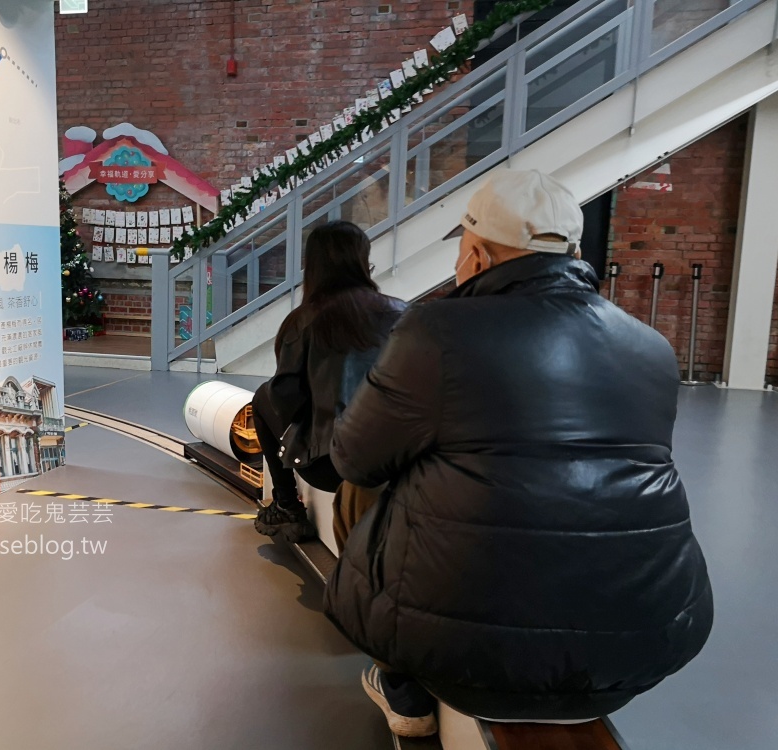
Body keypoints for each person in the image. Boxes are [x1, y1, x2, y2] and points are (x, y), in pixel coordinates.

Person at [325, 170, 713, 736]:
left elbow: (353, 459)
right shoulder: (650, 345)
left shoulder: (436, 329)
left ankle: (401, 684)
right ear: (576, 253)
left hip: (455, 656)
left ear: (477, 257)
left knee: (370, 482)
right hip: (638, 652)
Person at [252, 220, 405, 543]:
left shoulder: (302, 321)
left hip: (328, 465)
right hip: (397, 459)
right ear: (364, 262)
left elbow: (285, 400)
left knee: (262, 396)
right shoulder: (403, 314)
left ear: (313, 267)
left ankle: (287, 505)